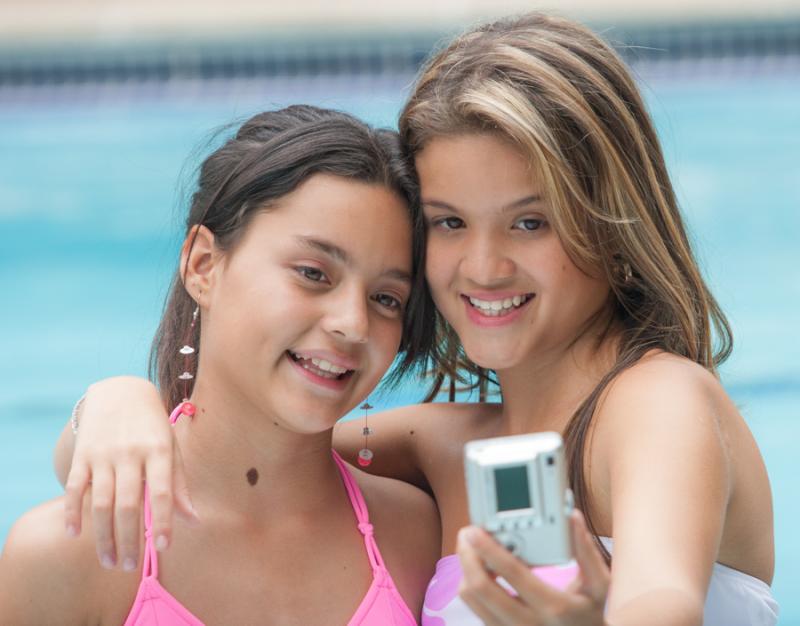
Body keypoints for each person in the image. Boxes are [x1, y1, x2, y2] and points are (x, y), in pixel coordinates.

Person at [49, 13, 778, 626]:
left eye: (531, 223)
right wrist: (113, 404)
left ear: (616, 229)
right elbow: (231, 445)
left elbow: (662, 596)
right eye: (450, 223)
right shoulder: (442, 444)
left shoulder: (656, 404)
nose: (483, 267)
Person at [0, 105, 444, 625]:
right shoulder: (64, 555)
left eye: (387, 298)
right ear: (203, 265)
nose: (354, 323)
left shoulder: (417, 539)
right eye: (312, 273)